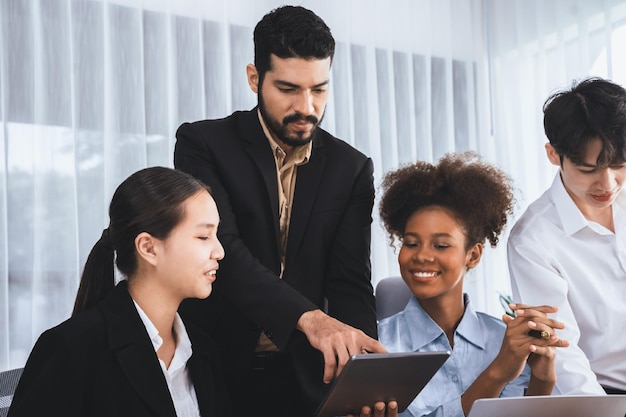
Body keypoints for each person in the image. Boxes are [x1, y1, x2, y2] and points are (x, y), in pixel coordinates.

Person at [174, 5, 387, 417]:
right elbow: (225, 251)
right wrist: (310, 318)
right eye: (289, 89)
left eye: (319, 89)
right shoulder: (203, 144)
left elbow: (350, 282)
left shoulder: (352, 168)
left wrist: (367, 376)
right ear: (255, 78)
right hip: (213, 369)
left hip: (306, 380)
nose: (306, 107)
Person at [8, 167, 231, 417]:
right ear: (148, 248)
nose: (219, 251)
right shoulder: (71, 349)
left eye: (216, 235)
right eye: (203, 236)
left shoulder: (202, 350)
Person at [377, 152, 569, 417]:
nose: (421, 255)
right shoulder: (377, 347)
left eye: (441, 245)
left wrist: (543, 378)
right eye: (411, 243)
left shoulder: (504, 340)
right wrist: (497, 373)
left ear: (474, 255)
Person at [507, 77, 626, 395]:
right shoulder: (532, 241)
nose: (608, 184)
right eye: (589, 170)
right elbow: (565, 360)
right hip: (608, 396)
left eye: (619, 165)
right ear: (552, 154)